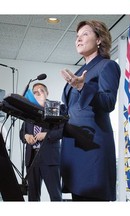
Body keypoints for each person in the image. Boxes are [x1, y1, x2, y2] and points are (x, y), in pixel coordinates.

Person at [60, 20, 121, 201]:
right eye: (77, 36)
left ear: (100, 39)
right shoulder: (81, 70)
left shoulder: (107, 66)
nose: (78, 39)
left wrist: (83, 88)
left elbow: (108, 102)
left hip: (92, 148)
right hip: (74, 147)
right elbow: (71, 107)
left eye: (85, 34)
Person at [20, 83, 62, 201]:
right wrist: (26, 136)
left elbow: (62, 132)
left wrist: (46, 135)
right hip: (32, 159)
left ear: (47, 93)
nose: (38, 93)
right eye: (35, 92)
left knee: (55, 196)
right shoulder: (29, 112)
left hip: (50, 159)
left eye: (41, 91)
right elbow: (22, 132)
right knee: (33, 197)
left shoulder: (55, 109)